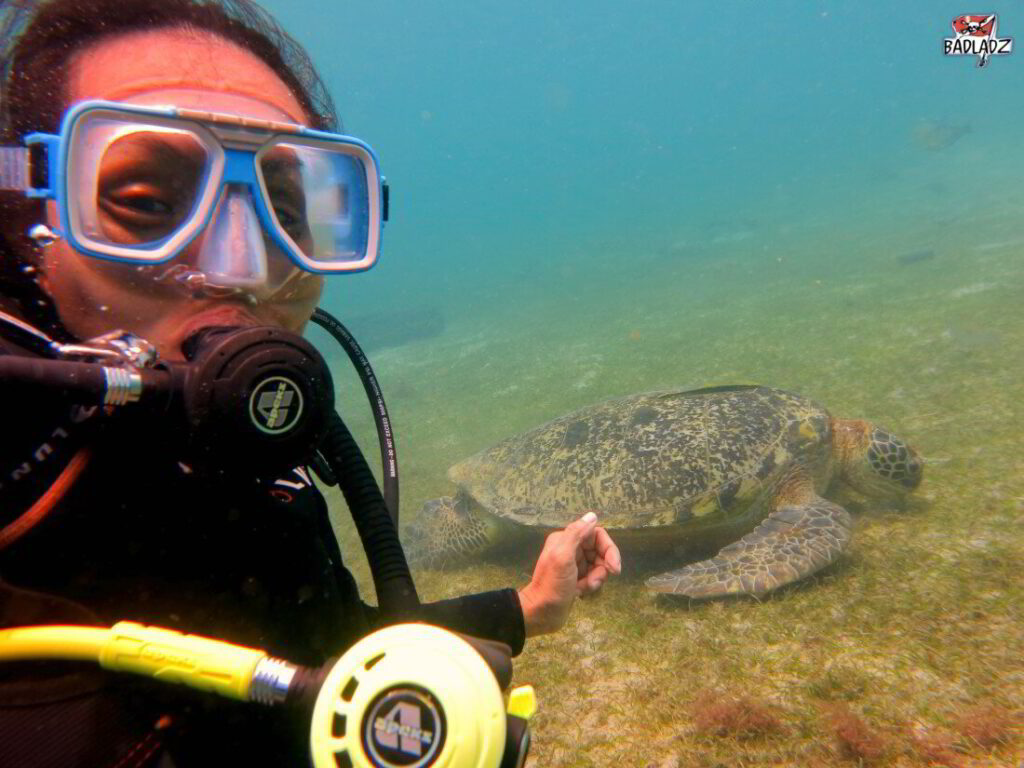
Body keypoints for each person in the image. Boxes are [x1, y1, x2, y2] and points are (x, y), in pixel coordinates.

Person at [0, 1, 622, 765]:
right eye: (147, 204)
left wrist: (526, 607)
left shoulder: (248, 455)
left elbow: (311, 657)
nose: (239, 265)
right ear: (25, 210)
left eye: (286, 210)